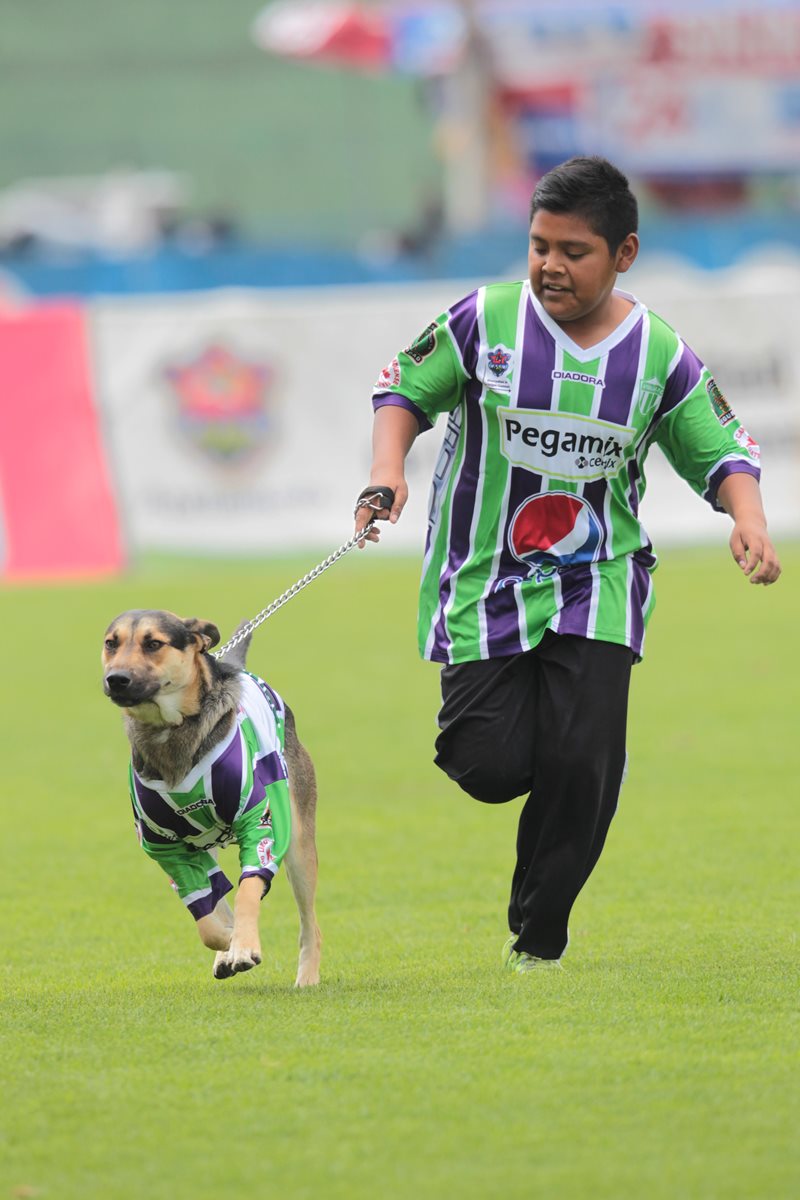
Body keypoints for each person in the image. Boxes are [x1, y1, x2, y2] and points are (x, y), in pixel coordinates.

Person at [353, 156, 781, 974]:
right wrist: (386, 470)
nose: (550, 264)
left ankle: (539, 938)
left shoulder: (658, 353)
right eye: (539, 244)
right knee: (489, 766)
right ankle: (548, 756)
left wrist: (749, 519)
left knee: (584, 762)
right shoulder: (484, 321)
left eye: (573, 250)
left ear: (624, 253)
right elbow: (404, 390)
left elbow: (721, 448)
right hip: (485, 578)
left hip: (600, 576)